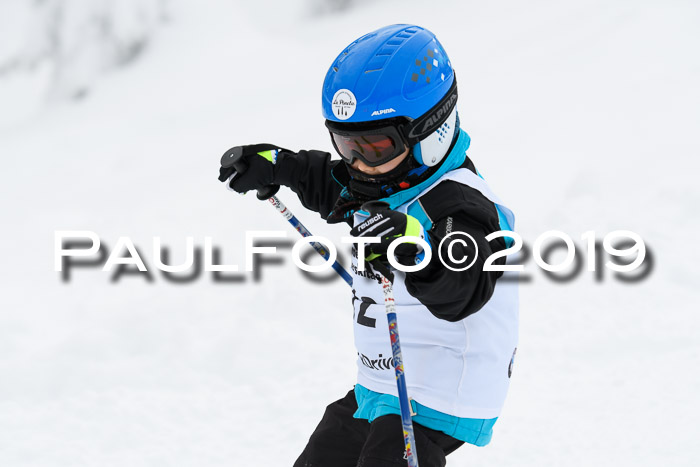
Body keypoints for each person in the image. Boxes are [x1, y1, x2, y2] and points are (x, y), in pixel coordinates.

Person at [218, 24, 518, 467]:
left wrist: (412, 248)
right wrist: (279, 166)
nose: (358, 164)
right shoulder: (381, 178)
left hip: (440, 393)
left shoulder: (462, 205)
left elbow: (463, 287)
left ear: (428, 131)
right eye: (345, 144)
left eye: (374, 147)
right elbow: (330, 182)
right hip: (383, 388)